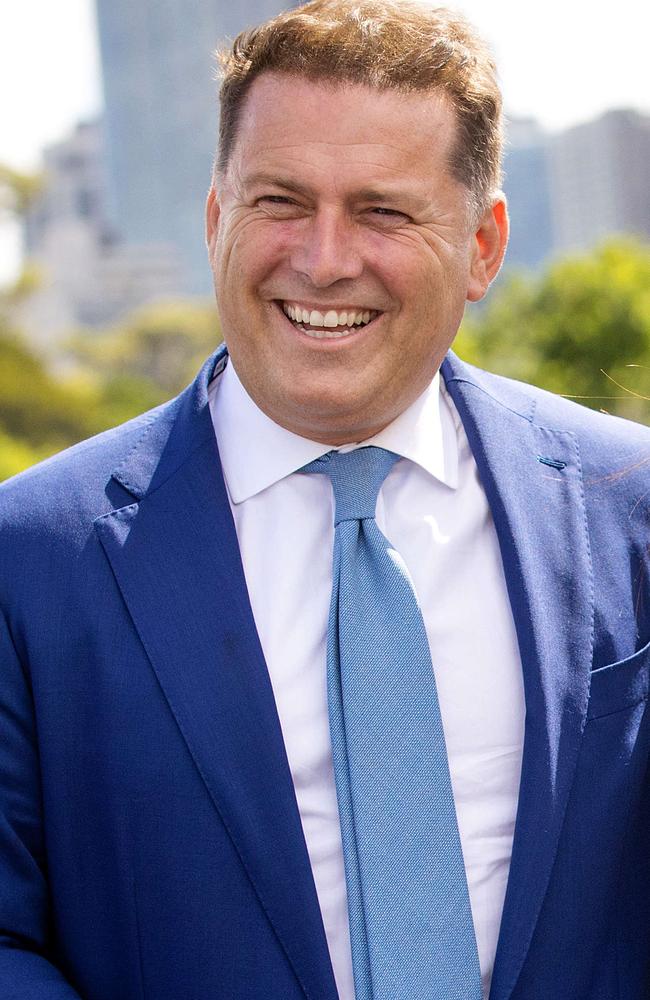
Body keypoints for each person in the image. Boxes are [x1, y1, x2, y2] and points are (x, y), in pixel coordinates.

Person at [0, 1, 648, 997]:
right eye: (279, 202)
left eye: (382, 211)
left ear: (481, 245)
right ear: (217, 216)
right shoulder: (30, 558)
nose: (322, 258)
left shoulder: (629, 507)